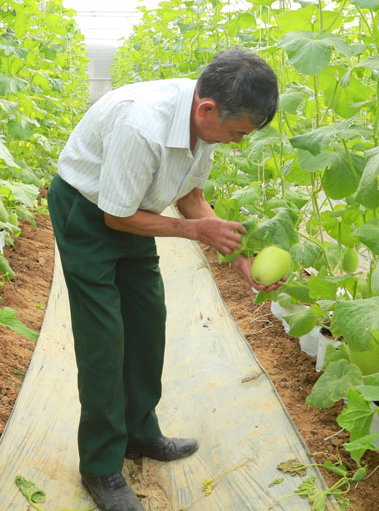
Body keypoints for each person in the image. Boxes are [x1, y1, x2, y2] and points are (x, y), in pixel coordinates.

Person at [47, 49, 281, 511]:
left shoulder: (203, 125)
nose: (236, 142)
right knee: (104, 340)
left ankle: (140, 434)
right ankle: (99, 466)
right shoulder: (142, 126)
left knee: (148, 324)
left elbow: (190, 195)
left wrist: (239, 258)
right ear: (207, 110)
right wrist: (195, 232)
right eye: (236, 133)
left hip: (137, 213)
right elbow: (116, 217)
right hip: (90, 214)